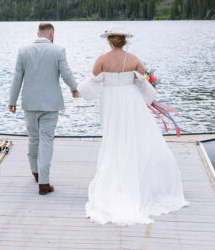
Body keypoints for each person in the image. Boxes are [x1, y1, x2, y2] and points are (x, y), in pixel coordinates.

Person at [78, 27, 187, 225]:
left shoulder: (101, 59)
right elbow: (145, 87)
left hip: (111, 99)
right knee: (133, 136)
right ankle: (135, 176)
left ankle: (115, 179)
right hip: (130, 100)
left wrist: (79, 90)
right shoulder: (135, 59)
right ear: (124, 42)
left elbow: (91, 86)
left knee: (114, 137)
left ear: (110, 41)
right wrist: (149, 98)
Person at [8, 22, 79, 195]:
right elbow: (66, 73)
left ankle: (36, 172)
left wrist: (12, 100)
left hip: (30, 103)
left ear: (38, 33)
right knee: (46, 140)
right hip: (50, 104)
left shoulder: (23, 51)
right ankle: (44, 183)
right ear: (51, 34)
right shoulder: (58, 51)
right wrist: (74, 88)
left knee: (33, 138)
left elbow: (17, 77)